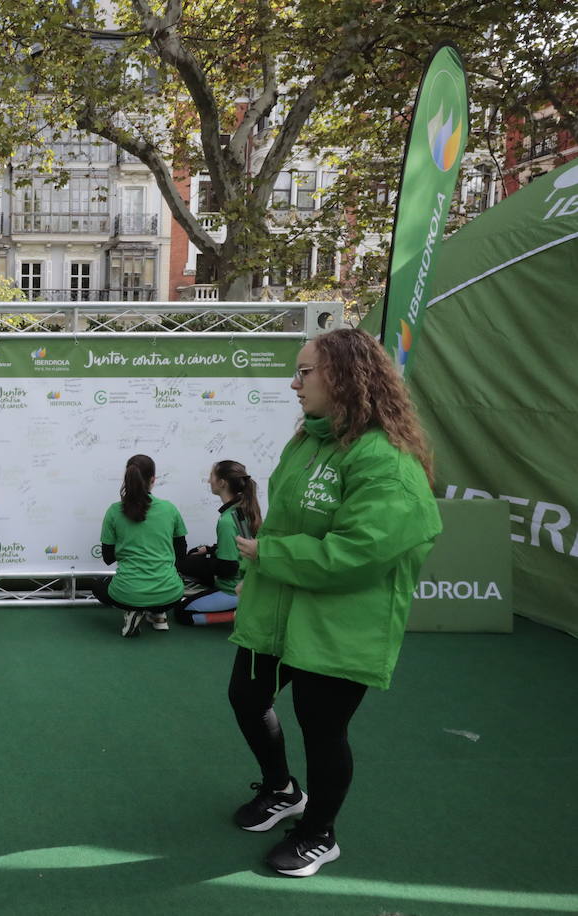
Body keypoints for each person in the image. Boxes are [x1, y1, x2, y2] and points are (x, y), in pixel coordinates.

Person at [227, 328, 441, 878]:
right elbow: (285, 520)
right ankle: (282, 789)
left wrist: (270, 555)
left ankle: (319, 833)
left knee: (321, 729)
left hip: (340, 622)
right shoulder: (308, 439)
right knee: (247, 697)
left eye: (305, 372)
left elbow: (362, 553)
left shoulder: (387, 462)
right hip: (276, 607)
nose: (293, 382)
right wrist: (257, 571)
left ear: (345, 377)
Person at [92, 454, 188, 636]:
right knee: (164, 581)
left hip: (128, 593)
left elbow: (107, 558)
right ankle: (159, 615)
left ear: (127, 477)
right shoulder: (170, 508)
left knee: (98, 585)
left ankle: (135, 611)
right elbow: (181, 553)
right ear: (153, 479)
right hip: (170, 593)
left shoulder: (114, 511)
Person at [175, 460, 262, 626]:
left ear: (222, 483)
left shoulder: (227, 521)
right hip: (245, 580)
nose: (209, 481)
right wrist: (209, 550)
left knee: (182, 613)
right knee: (191, 559)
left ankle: (239, 613)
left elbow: (227, 568)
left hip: (232, 589)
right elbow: (237, 548)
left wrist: (204, 560)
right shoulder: (241, 508)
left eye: (211, 477)